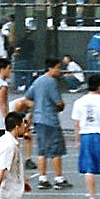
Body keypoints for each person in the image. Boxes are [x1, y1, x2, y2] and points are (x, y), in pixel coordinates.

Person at [25, 57, 70, 189]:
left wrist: (37, 107)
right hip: (50, 119)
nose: (59, 70)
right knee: (56, 150)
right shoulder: (51, 82)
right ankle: (58, 178)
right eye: (58, 68)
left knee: (42, 150)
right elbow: (58, 102)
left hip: (39, 120)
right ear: (51, 68)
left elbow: (27, 97)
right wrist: (61, 106)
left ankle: (42, 178)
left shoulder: (38, 81)